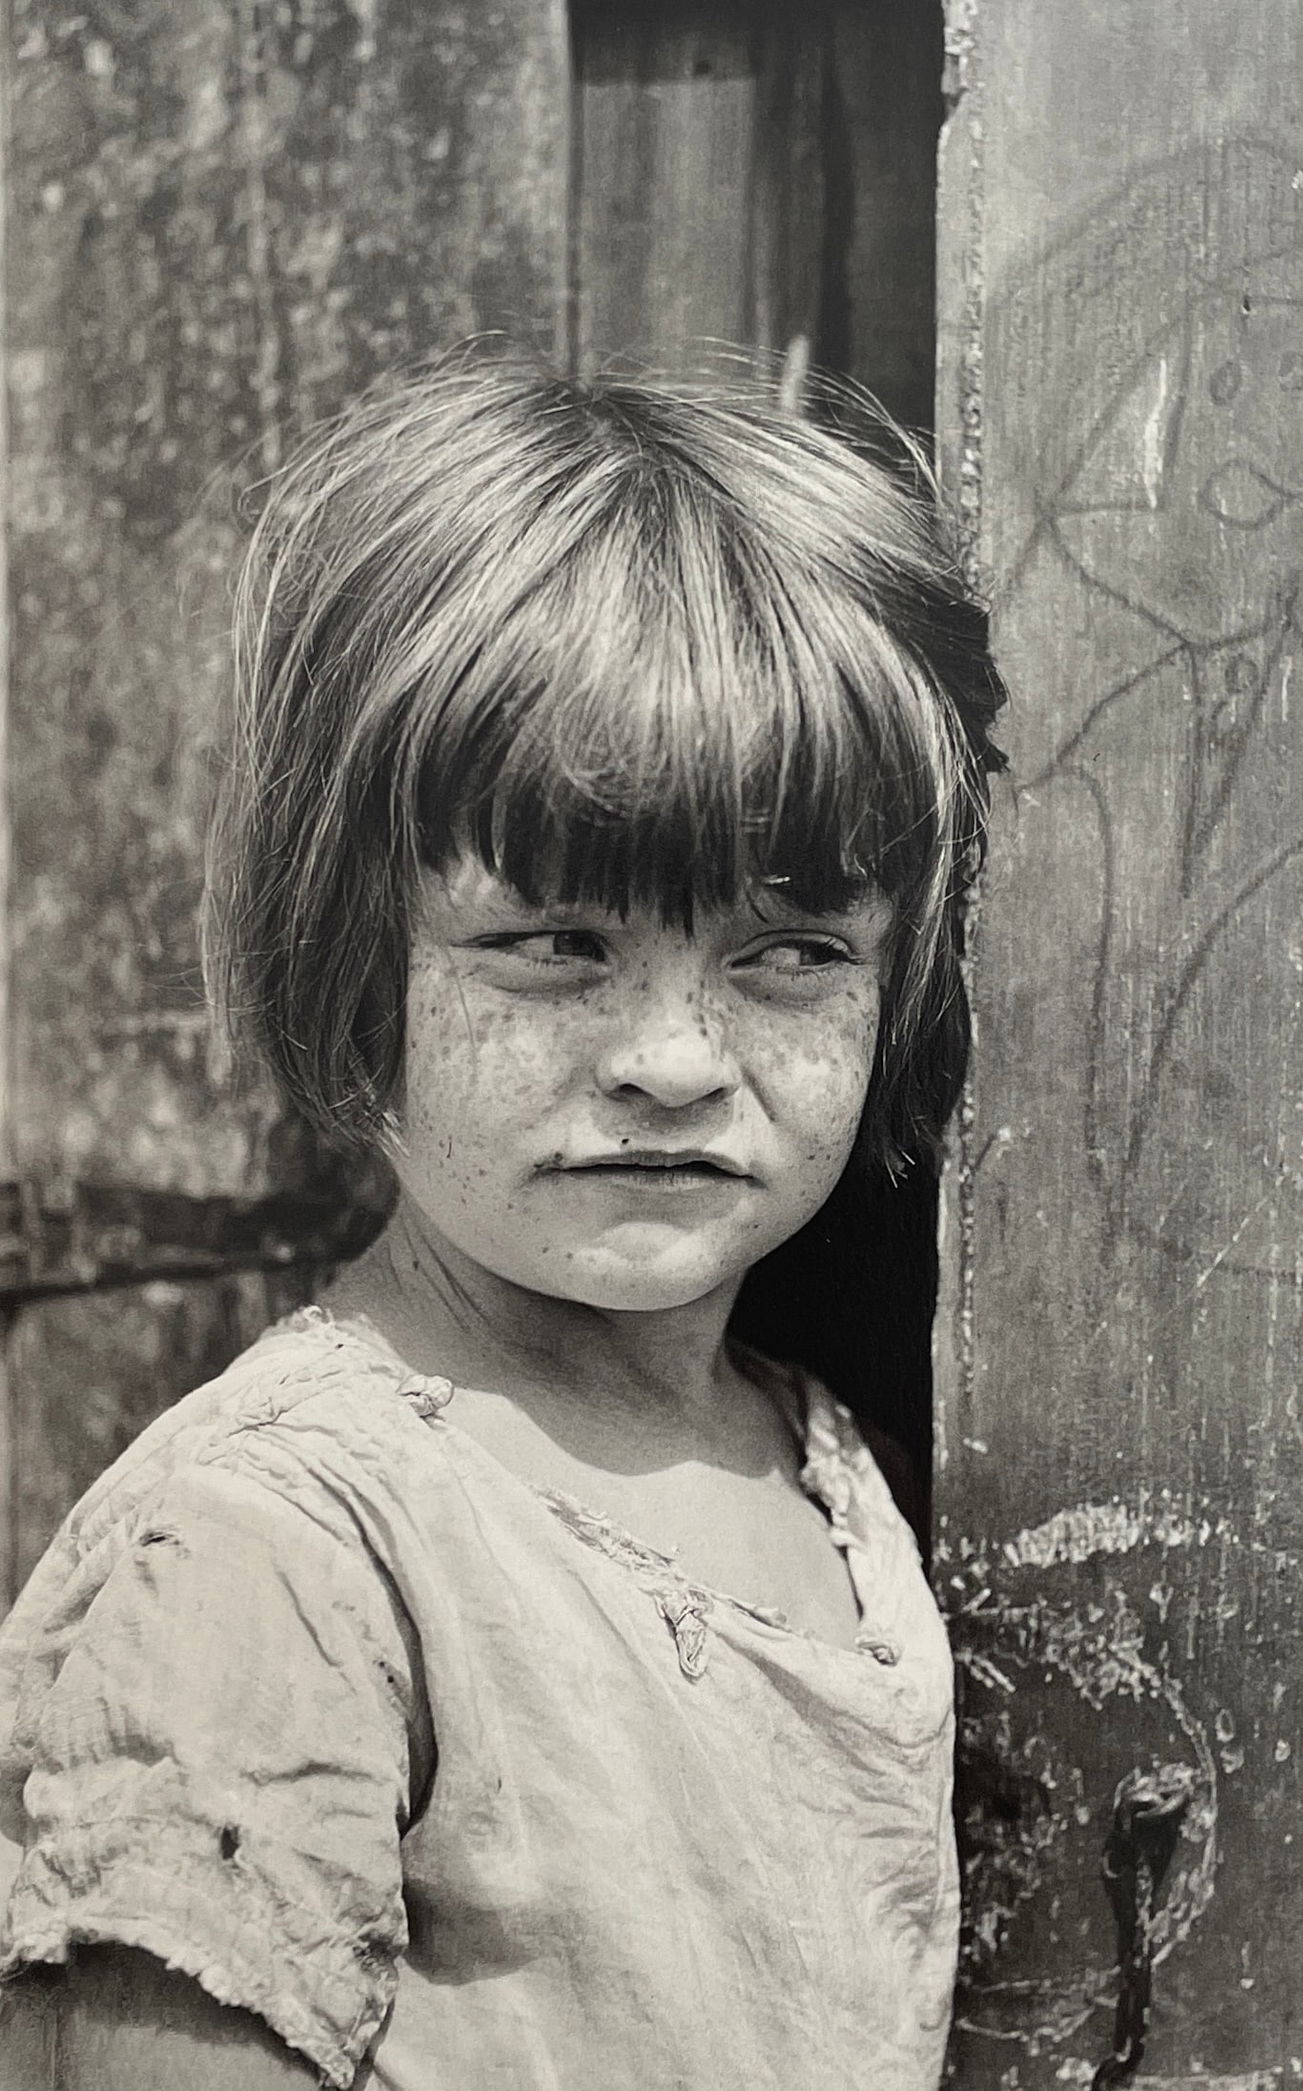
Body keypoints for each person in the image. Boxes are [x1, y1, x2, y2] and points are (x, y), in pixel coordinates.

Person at [0, 352, 1006, 2089]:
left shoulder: (820, 1470)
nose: (679, 1059)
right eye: (556, 944)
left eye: (789, 953)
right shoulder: (284, 1556)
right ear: (349, 952)